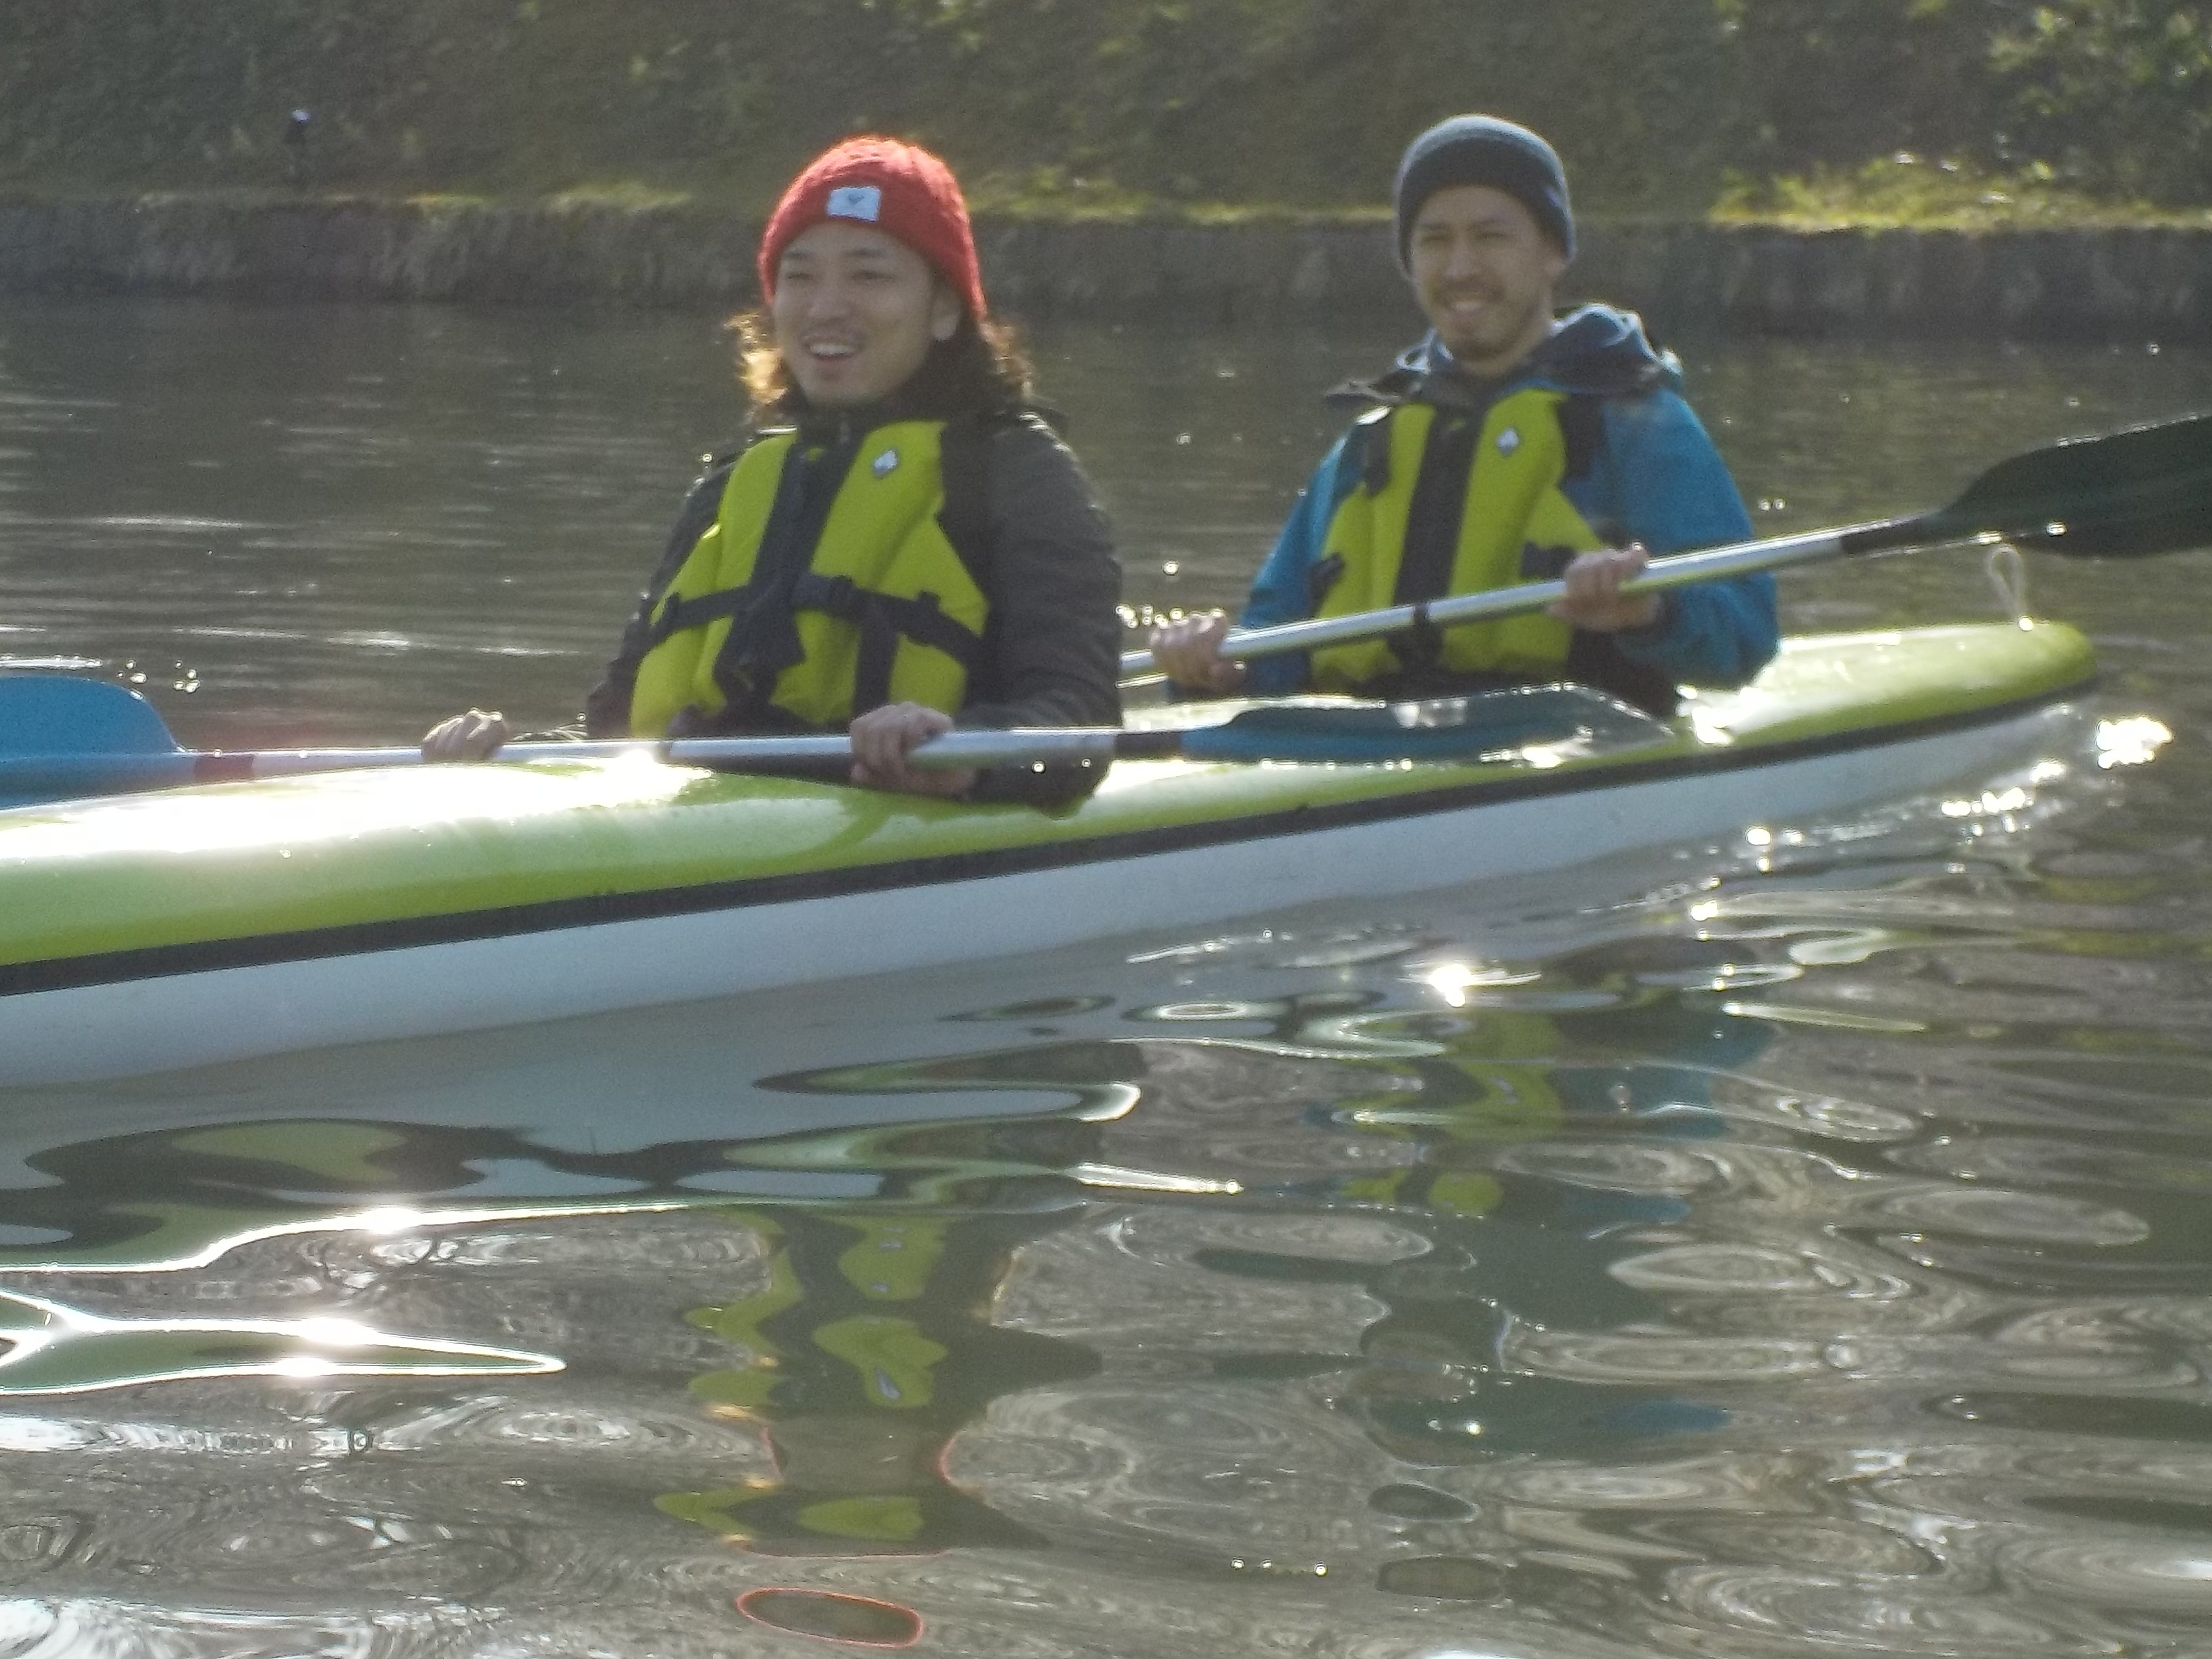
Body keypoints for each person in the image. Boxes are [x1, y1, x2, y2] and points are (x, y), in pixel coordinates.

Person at [425, 137, 1121, 803]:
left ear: (944, 309)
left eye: (868, 274)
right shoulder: (732, 482)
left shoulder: (1019, 474)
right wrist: (510, 758)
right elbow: (614, 734)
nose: (826, 306)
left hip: (900, 823)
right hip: (704, 816)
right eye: (800, 275)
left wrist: (959, 755)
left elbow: (1078, 722)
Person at [1150, 115, 1777, 715]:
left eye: (1490, 236)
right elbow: (1273, 643)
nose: (1459, 268)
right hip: (1365, 747)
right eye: (1434, 240)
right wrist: (1213, 666)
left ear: (1551, 254)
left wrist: (1649, 612)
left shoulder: (1634, 420)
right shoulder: (1371, 439)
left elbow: (1744, 632)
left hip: (1569, 746)